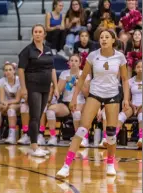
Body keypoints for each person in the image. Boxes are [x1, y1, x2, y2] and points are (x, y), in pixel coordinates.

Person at [56, 29, 129, 178]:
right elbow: (82, 78)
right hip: (95, 93)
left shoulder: (120, 57)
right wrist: (74, 97)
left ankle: (110, 164)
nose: (103, 39)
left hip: (113, 95)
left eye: (107, 37)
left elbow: (125, 79)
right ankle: (66, 166)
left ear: (113, 40)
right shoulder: (93, 55)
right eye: (101, 37)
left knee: (110, 133)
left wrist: (126, 98)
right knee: (82, 130)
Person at [18, 24, 59, 157]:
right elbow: (21, 70)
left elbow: (52, 69)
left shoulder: (48, 50)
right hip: (33, 86)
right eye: (35, 31)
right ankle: (34, 146)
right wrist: (23, 88)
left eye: (40, 32)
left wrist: (56, 87)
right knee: (34, 116)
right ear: (32, 34)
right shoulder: (27, 51)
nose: (37, 34)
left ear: (44, 34)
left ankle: (34, 144)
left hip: (45, 87)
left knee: (40, 115)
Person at [46, 54, 91, 147]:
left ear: (80, 63)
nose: (73, 63)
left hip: (80, 102)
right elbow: (58, 92)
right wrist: (66, 82)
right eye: (72, 60)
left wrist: (79, 81)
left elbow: (87, 94)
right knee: (50, 111)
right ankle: (53, 137)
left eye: (76, 61)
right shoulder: (64, 73)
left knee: (76, 113)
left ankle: (80, 138)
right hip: (66, 103)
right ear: (69, 63)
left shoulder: (85, 74)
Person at [100, 60, 142, 148]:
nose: (140, 69)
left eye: (142, 67)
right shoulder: (130, 81)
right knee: (123, 113)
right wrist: (131, 105)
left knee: (141, 114)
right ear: (134, 69)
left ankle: (141, 139)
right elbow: (127, 97)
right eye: (138, 67)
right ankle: (112, 138)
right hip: (133, 105)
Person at [0, 62, 21, 144]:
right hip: (7, 103)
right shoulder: (2, 81)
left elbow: (17, 99)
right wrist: (4, 103)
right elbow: (2, 98)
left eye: (10, 69)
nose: (8, 72)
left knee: (11, 109)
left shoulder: (19, 80)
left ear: (14, 71)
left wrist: (7, 103)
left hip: (19, 104)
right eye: (6, 70)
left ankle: (12, 136)